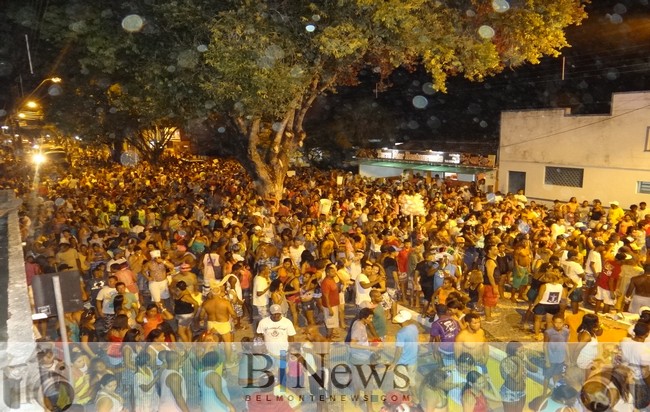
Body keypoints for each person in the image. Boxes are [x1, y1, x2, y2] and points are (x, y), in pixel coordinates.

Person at [389, 310, 420, 395]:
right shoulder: (414, 327)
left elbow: (399, 350)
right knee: (412, 382)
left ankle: (406, 402)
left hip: (402, 362)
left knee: (403, 386)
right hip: (413, 360)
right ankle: (415, 399)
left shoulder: (401, 333)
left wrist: (394, 363)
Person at [499, 341, 537, 412]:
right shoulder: (506, 362)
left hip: (522, 392)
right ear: (512, 353)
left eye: (523, 351)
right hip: (509, 393)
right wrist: (520, 364)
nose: (523, 353)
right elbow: (517, 379)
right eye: (520, 352)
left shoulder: (522, 359)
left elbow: (535, 370)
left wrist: (526, 361)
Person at [543, 314, 569, 397]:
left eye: (560, 323)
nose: (558, 325)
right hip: (551, 359)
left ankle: (555, 392)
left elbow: (566, 344)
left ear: (563, 322)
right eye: (556, 323)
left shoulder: (566, 331)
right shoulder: (548, 332)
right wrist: (547, 360)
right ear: (552, 322)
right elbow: (545, 345)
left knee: (557, 376)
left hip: (560, 358)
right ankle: (544, 394)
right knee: (547, 376)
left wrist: (568, 357)